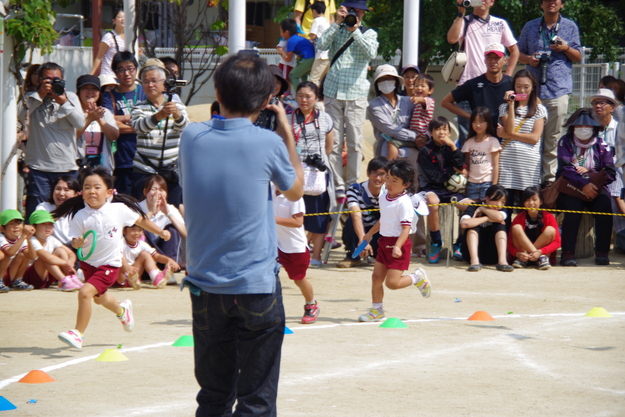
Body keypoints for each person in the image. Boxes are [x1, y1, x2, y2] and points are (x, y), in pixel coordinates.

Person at [179, 52, 303, 416]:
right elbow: (295, 191)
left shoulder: (191, 136)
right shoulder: (268, 142)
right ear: (267, 101)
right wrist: (285, 134)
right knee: (257, 400)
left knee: (214, 396)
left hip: (205, 285)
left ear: (217, 91)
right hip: (255, 285)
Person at [53, 166, 171, 350]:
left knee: (85, 293)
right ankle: (122, 311)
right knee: (99, 299)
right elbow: (75, 243)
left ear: (108, 192)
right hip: (88, 264)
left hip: (110, 264)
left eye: (97, 187)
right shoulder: (79, 216)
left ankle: (78, 333)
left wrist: (161, 232)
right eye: (87, 187)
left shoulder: (119, 210)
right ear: (81, 193)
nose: (92, 191)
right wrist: (77, 242)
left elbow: (141, 221)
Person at [317, 0, 379, 199]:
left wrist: (355, 30)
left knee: (354, 142)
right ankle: (338, 184)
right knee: (334, 142)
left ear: (364, 13)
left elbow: (371, 53)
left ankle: (352, 183)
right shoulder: (337, 29)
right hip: (333, 91)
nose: (355, 14)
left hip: (356, 93)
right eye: (352, 11)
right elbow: (321, 45)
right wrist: (337, 22)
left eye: (359, 12)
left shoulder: (369, 33)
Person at [517, 0, 582, 185]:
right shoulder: (530, 26)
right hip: (533, 92)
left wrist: (565, 48)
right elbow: (518, 54)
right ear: (541, 4)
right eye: (547, 0)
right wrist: (530, 59)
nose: (551, 3)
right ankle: (529, 182)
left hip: (558, 89)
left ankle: (548, 182)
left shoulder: (569, 26)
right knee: (530, 137)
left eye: (555, 0)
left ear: (561, 4)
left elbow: (578, 56)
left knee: (552, 139)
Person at [357, 160, 431, 322]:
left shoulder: (404, 203)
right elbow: (383, 219)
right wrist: (369, 234)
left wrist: (397, 246)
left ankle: (417, 278)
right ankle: (377, 310)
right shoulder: (384, 198)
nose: (388, 183)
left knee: (392, 283)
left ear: (405, 184)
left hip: (400, 244)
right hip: (384, 242)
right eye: (388, 178)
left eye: (394, 180)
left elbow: (406, 229)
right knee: (376, 277)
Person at [447, 0, 519, 146]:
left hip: (492, 86)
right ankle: (465, 168)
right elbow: (452, 39)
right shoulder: (464, 21)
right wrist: (460, 13)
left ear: (492, 2)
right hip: (468, 85)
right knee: (467, 137)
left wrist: (508, 77)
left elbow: (514, 51)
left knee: (495, 134)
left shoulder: (500, 23)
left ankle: (494, 168)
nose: (482, 1)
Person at [18, 62, 85, 219]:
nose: (51, 83)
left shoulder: (72, 98)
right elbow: (20, 116)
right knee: (38, 216)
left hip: (67, 168)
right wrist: (39, 95)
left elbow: (80, 123)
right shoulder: (31, 98)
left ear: (63, 81)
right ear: (40, 80)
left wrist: (62, 101)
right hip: (39, 169)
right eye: (47, 79)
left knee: (68, 214)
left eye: (56, 80)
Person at [556, 108, 615, 266]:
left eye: (588, 127)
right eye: (579, 126)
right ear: (572, 127)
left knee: (604, 206)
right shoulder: (565, 141)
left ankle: (602, 251)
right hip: (571, 187)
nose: (584, 129)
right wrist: (583, 184)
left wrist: (593, 179)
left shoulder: (602, 145)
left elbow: (610, 171)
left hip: (596, 186)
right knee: (573, 209)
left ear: (595, 128)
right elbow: (565, 168)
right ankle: (568, 253)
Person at [131, 65, 189, 207]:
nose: (150, 85)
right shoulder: (138, 107)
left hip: (171, 171)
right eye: (146, 81)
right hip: (144, 170)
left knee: (172, 211)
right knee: (144, 211)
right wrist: (159, 115)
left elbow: (185, 128)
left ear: (164, 83)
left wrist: (176, 115)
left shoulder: (177, 106)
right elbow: (139, 127)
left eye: (154, 80)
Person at [291, 81, 335, 268]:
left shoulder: (325, 118)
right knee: (295, 215)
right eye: (300, 95)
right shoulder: (288, 118)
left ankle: (315, 256)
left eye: (308, 96)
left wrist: (316, 160)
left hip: (317, 174)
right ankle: (297, 256)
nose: (304, 99)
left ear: (316, 98)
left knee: (318, 217)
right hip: (295, 173)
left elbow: (329, 147)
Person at [497, 69, 547, 224]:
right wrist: (511, 105)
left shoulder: (539, 110)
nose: (522, 90)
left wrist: (506, 134)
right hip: (507, 165)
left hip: (529, 165)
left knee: (528, 209)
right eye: (518, 86)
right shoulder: (504, 108)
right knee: (505, 208)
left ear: (533, 87)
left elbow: (534, 138)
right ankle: (505, 244)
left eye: (526, 86)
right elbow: (511, 128)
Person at [417, 117, 467, 264]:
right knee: (432, 202)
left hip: (452, 191)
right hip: (431, 189)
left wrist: (453, 146)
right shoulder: (425, 151)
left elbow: (461, 164)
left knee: (471, 205)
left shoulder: (451, 148)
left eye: (445, 129)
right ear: (431, 132)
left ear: (450, 132)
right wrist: (452, 169)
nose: (441, 132)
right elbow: (434, 177)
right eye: (437, 129)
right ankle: (436, 242)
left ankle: (459, 243)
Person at [441, 43, 513, 144]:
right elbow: (445, 102)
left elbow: (533, 101)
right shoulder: (473, 84)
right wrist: (471, 117)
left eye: (497, 58)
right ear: (484, 60)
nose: (493, 61)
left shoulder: (513, 83)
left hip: (508, 139)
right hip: (481, 139)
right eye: (489, 57)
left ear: (505, 60)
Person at [272, 183, 319, 324]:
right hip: (274, 244)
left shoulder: (295, 198)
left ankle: (311, 305)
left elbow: (298, 222)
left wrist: (272, 218)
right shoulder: (268, 190)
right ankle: (268, 310)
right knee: (268, 276)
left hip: (294, 247)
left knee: (299, 278)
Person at [102, 51, 147, 195]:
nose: (126, 73)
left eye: (130, 68)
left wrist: (120, 119)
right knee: (123, 204)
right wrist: (140, 123)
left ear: (136, 69)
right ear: (115, 72)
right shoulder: (109, 96)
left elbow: (153, 121)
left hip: (145, 160)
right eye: (121, 69)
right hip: (121, 160)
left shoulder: (145, 92)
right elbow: (109, 122)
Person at [336, 156, 387, 268]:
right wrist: (363, 241)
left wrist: (368, 237)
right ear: (368, 173)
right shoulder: (355, 189)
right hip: (361, 229)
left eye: (382, 174)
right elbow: (356, 216)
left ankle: (381, 255)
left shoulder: (389, 192)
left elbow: (387, 218)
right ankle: (353, 256)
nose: (378, 178)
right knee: (350, 222)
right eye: (374, 173)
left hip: (380, 230)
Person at [23, 210, 82, 290]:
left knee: (61, 250)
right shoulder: (32, 240)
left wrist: (71, 261)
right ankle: (63, 281)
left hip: (47, 276)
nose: (48, 227)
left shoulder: (51, 239)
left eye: (50, 224)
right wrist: (66, 264)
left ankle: (70, 278)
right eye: (43, 224)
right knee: (45, 258)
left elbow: (70, 252)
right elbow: (47, 257)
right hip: (31, 278)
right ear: (33, 227)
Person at [460, 184, 513, 272]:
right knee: (473, 227)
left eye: (502, 202)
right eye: (496, 200)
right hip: (470, 254)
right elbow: (464, 224)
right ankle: (475, 261)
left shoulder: (502, 209)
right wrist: (486, 218)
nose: (499, 205)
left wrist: (484, 210)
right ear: (487, 198)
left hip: (493, 254)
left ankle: (502, 261)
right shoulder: (473, 206)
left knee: (500, 226)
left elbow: (499, 218)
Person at [138, 175, 187, 269]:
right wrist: (151, 212)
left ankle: (170, 267)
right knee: (142, 228)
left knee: (173, 229)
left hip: (164, 252)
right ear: (145, 192)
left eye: (161, 190)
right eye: (153, 189)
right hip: (144, 253)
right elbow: (132, 229)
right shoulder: (137, 207)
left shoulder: (170, 208)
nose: (157, 193)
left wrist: (168, 213)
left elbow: (185, 234)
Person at [508, 186, 560, 269]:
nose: (531, 203)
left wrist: (540, 252)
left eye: (534, 199)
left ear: (541, 202)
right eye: (527, 200)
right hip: (523, 256)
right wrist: (518, 254)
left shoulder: (548, 217)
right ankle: (527, 259)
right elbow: (509, 243)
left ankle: (541, 258)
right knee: (516, 227)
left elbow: (557, 242)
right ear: (523, 203)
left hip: (542, 254)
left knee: (550, 230)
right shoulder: (519, 218)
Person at [75, 75, 119, 172]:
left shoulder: (105, 112)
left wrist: (99, 118)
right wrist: (90, 119)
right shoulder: (73, 112)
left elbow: (114, 136)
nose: (90, 92)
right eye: (85, 88)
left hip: (103, 167)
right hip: (78, 167)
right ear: (78, 92)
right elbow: (71, 137)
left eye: (94, 89)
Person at [461, 107, 501, 201]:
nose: (478, 125)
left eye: (481, 121)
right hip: (472, 183)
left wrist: (494, 186)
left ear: (488, 123)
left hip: (487, 182)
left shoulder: (492, 141)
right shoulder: (468, 142)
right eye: (474, 121)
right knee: (472, 210)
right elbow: (467, 164)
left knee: (486, 209)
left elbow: (496, 166)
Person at [120, 224, 177, 290]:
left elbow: (156, 256)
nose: (137, 233)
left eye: (140, 230)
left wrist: (169, 260)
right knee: (118, 254)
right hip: (121, 276)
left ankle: (156, 277)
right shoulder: (120, 243)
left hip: (134, 275)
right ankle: (129, 278)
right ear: (124, 231)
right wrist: (127, 267)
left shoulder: (142, 244)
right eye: (133, 230)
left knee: (145, 254)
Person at [277, 19, 316, 94]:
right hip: (311, 58)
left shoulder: (291, 41)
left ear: (287, 32)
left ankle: (301, 94)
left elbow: (288, 59)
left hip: (307, 59)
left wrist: (281, 51)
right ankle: (307, 93)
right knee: (304, 77)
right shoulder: (297, 38)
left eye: (281, 31)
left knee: (292, 76)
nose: (280, 34)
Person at [0, 210, 35, 292]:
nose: (16, 226)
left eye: (18, 223)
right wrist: (23, 236)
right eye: (11, 224)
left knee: (23, 255)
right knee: (5, 256)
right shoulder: (1, 237)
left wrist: (28, 239)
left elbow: (32, 256)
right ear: (2, 228)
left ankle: (17, 281)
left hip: (9, 272)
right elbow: (10, 253)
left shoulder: (20, 238)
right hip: (2, 271)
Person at [90, 9, 125, 76]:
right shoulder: (108, 37)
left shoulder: (129, 38)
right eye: (119, 17)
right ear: (114, 21)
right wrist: (90, 76)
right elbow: (99, 57)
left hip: (121, 76)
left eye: (125, 17)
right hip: (108, 75)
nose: (123, 19)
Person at [407, 74, 436, 154]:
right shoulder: (416, 102)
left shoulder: (429, 101)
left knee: (394, 142)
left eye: (422, 86)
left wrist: (416, 98)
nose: (419, 88)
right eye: (416, 86)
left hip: (421, 134)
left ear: (430, 91)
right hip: (414, 133)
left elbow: (423, 101)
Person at [308, 1, 331, 86]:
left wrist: (307, 36)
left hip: (321, 55)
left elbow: (312, 35)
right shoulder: (326, 21)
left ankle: (313, 98)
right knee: (324, 80)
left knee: (313, 80)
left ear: (314, 11)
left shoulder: (317, 20)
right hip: (329, 55)